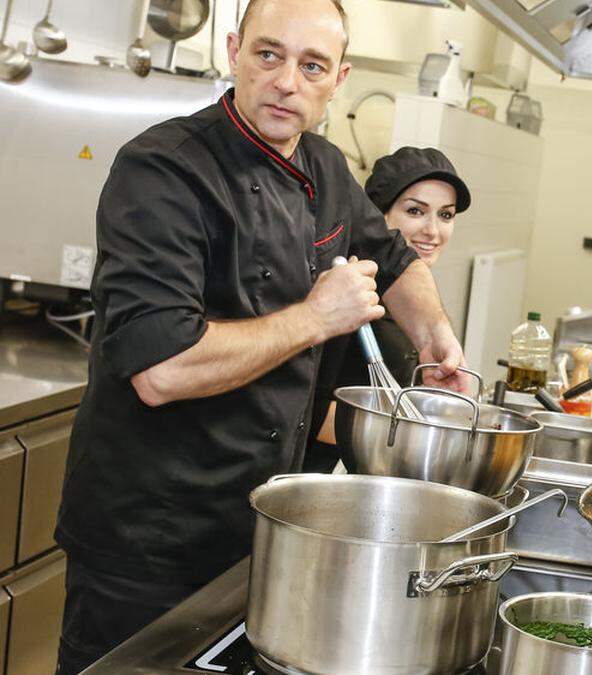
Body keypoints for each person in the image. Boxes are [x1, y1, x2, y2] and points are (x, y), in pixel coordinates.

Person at [53, 1, 468, 672]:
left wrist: (434, 335)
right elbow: (160, 370)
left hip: (260, 532)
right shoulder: (162, 170)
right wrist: (315, 317)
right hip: (150, 545)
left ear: (340, 78)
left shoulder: (325, 167)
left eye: (312, 66)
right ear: (234, 49)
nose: (286, 83)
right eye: (269, 55)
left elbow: (395, 262)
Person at [305, 146, 469, 471]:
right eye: (414, 211)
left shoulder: (419, 304)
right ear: (375, 220)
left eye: (445, 215)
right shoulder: (351, 297)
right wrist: (418, 433)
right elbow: (311, 413)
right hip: (327, 475)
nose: (433, 231)